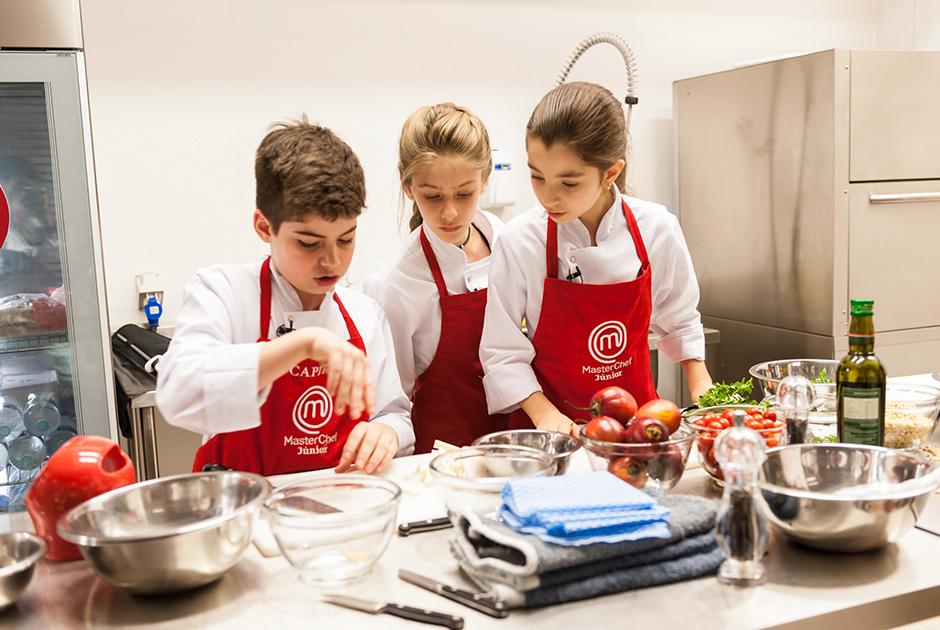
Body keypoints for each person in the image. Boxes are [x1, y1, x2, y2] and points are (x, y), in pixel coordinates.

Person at [156, 118, 414, 475]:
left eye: (346, 238)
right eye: (308, 243)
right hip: (246, 513)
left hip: (341, 505)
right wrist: (304, 345)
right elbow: (178, 395)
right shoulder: (225, 293)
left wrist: (386, 433)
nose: (333, 261)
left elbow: (395, 414)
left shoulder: (364, 313)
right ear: (264, 227)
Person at [480, 82, 712, 437]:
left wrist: (705, 394)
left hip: (637, 429)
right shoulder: (519, 241)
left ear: (611, 173)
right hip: (551, 434)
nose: (548, 197)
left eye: (568, 183)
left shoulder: (656, 228)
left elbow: (679, 320)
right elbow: (502, 352)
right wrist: (546, 417)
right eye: (537, 177)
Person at [364, 103, 507, 453]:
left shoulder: (507, 242)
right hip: (439, 466)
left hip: (515, 450)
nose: (450, 212)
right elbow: (390, 408)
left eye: (464, 193)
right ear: (409, 187)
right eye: (432, 196)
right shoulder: (394, 283)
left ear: (485, 178)